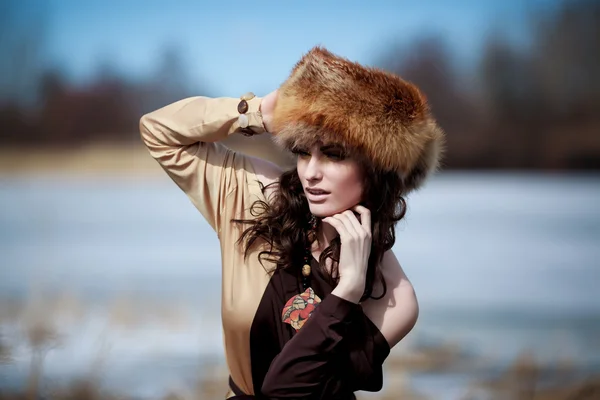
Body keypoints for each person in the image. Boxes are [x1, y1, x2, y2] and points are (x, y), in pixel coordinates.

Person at [139, 46, 444, 399]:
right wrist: (255, 113)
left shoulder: (393, 297)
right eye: (302, 151)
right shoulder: (259, 200)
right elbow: (158, 132)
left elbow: (285, 389)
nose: (310, 172)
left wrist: (347, 292)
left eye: (333, 154)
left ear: (377, 170)